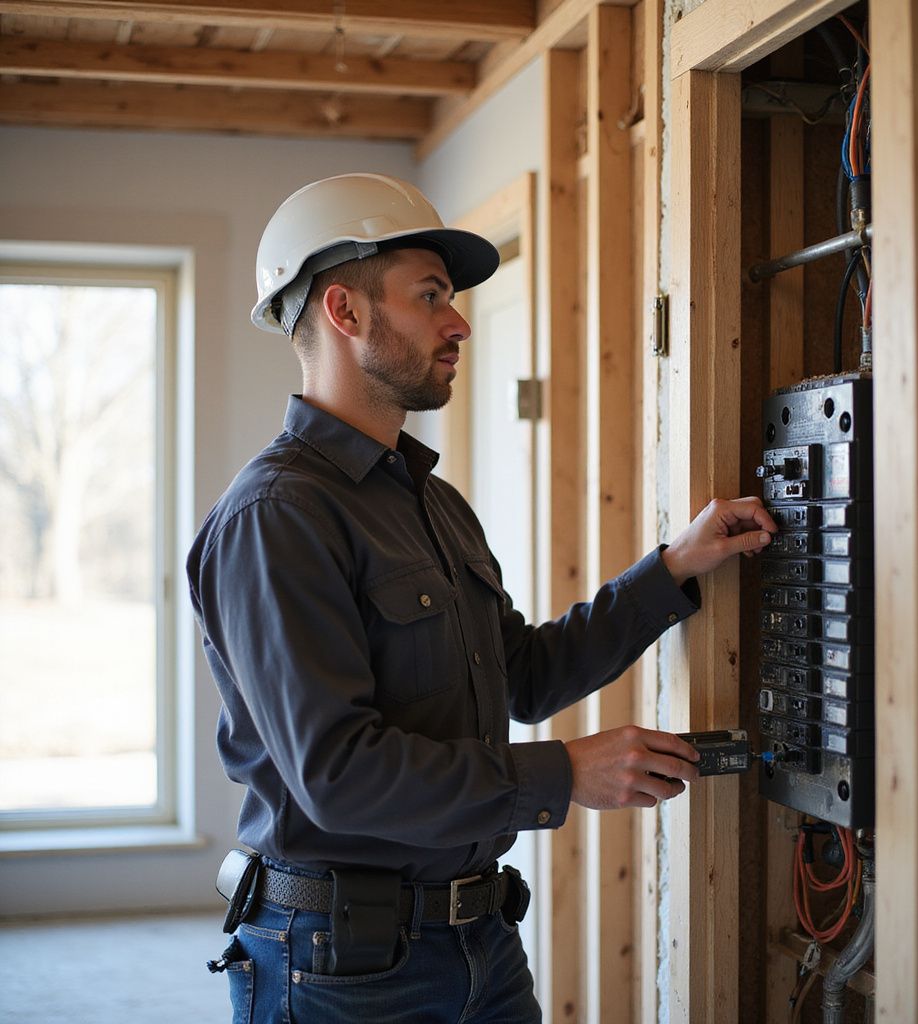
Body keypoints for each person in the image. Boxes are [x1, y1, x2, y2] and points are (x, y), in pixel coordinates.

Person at [189, 173, 776, 1023]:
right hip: (339, 971)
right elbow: (339, 774)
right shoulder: (277, 516)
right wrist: (565, 771)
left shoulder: (430, 503)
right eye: (430, 296)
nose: (458, 321)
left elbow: (522, 675)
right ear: (345, 312)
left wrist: (673, 569)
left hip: (480, 946)